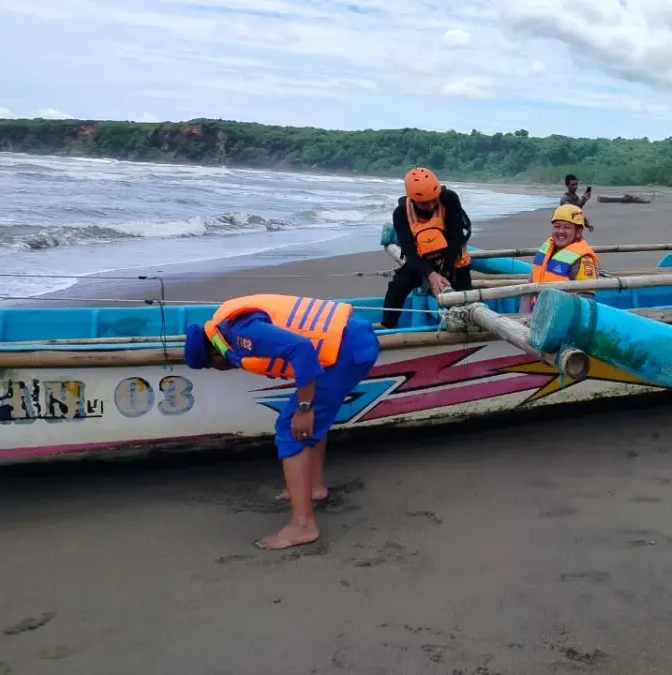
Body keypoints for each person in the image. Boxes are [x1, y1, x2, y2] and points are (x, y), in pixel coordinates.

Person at [183, 294, 381, 550]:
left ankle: (303, 526)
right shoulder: (231, 324)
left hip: (347, 349)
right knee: (308, 422)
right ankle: (314, 487)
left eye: (213, 367)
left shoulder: (242, 333)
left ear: (215, 356)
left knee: (291, 428)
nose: (222, 370)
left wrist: (304, 407)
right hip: (353, 340)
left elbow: (301, 349)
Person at [381, 167, 473, 329]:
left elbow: (456, 237)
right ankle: (388, 326)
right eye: (424, 203)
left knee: (464, 298)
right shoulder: (401, 213)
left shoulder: (449, 199)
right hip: (422, 260)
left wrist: (444, 273)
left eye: (434, 200)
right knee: (397, 286)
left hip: (452, 258)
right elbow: (410, 252)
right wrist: (430, 274)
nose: (431, 206)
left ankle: (464, 324)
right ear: (413, 199)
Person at [521, 204, 600, 312]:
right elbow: (528, 292)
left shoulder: (583, 261)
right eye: (557, 226)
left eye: (567, 227)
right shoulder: (546, 250)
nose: (561, 231)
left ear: (578, 232)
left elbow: (585, 305)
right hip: (537, 316)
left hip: (562, 320)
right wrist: (523, 319)